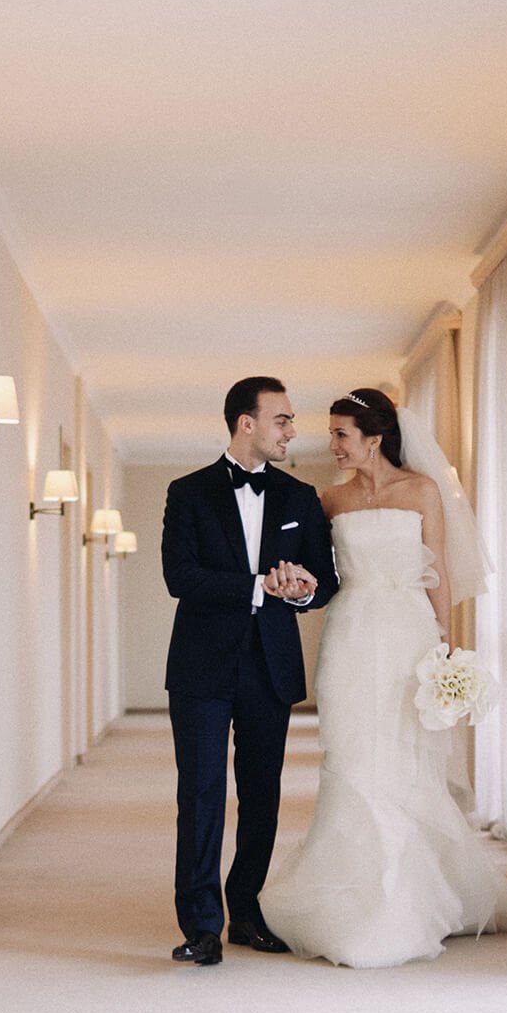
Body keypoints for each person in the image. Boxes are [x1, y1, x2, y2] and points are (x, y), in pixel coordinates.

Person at [257, 387, 507, 967]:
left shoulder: (423, 491)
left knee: (406, 760)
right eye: (331, 434)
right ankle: (349, 895)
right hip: (352, 635)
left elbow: (437, 575)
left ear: (374, 439)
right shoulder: (329, 501)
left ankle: (413, 898)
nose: (331, 444)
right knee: (352, 755)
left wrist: (446, 654)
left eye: (341, 434)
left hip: (409, 634)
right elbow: (320, 575)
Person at [161, 376, 339, 965]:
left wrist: (303, 589)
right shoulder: (187, 492)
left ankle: (246, 912)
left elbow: (325, 583)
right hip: (201, 668)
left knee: (261, 795)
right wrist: (259, 586)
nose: (292, 430)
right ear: (247, 423)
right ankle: (201, 926)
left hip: (269, 665)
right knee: (202, 794)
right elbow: (179, 578)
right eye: (283, 419)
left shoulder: (298, 496)